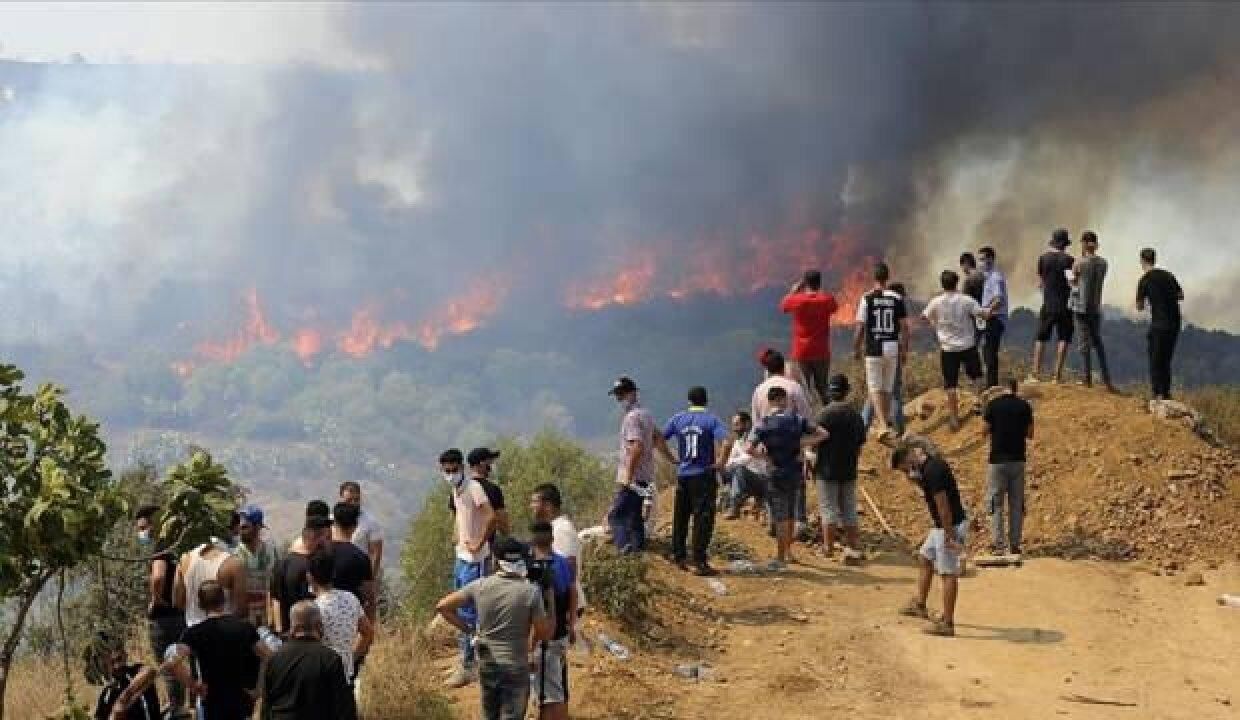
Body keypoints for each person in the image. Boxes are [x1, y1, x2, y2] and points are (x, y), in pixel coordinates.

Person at [436, 538, 554, 720]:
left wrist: (470, 631)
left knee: (489, 714)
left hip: (488, 663)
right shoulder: (530, 592)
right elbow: (544, 632)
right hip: (515, 665)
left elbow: (443, 607)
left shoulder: (480, 586)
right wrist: (549, 598)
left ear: (494, 561)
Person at [162, 580, 270, 719]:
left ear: (200, 604)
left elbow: (171, 663)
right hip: (242, 701)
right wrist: (259, 690)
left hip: (212, 702)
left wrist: (194, 686)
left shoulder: (195, 633)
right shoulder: (245, 628)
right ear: (224, 600)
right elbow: (269, 658)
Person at [893, 442, 968, 638]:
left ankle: (947, 623)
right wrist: (913, 480)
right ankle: (920, 604)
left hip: (948, 526)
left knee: (947, 573)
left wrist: (950, 536)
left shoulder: (933, 471)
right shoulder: (927, 468)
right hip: (941, 526)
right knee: (925, 558)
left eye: (905, 468)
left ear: (909, 456)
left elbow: (943, 506)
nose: (907, 472)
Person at [749, 386, 827, 571]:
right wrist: (801, 442)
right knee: (791, 513)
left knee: (780, 516)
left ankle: (781, 557)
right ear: (783, 400)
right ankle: (790, 552)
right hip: (795, 471)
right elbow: (824, 433)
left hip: (775, 472)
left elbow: (749, 449)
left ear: (769, 401)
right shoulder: (797, 420)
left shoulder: (762, 424)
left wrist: (766, 458)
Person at [659, 386, 728, 575]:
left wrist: (670, 458)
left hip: (683, 475)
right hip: (703, 475)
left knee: (681, 516)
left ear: (689, 401)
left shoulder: (677, 419)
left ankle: (679, 556)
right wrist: (721, 462)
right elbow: (727, 441)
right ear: (706, 401)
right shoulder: (712, 420)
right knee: (702, 518)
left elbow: (658, 438)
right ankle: (699, 561)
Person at [444, 447, 495, 689]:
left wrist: (480, 541)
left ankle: (470, 665)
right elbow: (460, 517)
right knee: (460, 608)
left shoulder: (474, 489)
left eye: (454, 470)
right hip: (462, 557)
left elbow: (491, 516)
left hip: (475, 561)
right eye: (447, 471)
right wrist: (458, 537)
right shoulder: (456, 489)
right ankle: (465, 658)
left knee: (469, 612)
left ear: (462, 467)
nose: (451, 474)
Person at [260, 601, 357, 720]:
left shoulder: (274, 659)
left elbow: (266, 706)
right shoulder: (330, 658)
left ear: (293, 627)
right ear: (319, 625)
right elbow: (343, 708)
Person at [750, 349, 812, 534]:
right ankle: (799, 522)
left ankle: (774, 521)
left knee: (772, 482)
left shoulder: (759, 390)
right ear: (783, 367)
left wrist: (760, 445)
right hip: (792, 443)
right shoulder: (794, 387)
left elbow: (756, 421)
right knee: (797, 483)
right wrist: (806, 444)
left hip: (769, 445)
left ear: (767, 369)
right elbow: (806, 415)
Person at [134, 504, 187, 716]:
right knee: (181, 661)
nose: (141, 533)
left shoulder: (161, 547)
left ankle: (176, 710)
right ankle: (181, 706)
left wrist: (155, 600)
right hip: (181, 613)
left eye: (143, 528)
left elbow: (158, 576)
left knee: (168, 664)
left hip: (164, 618)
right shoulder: (177, 545)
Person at [922, 269, 989, 430]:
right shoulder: (966, 300)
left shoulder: (936, 302)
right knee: (977, 377)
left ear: (942, 284)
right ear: (956, 282)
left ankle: (954, 419)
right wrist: (991, 309)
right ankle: (982, 409)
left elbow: (923, 317)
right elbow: (982, 315)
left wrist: (934, 323)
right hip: (967, 346)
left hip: (948, 349)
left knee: (951, 385)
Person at [527, 522, 578, 720]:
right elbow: (572, 592)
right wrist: (572, 624)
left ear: (532, 541)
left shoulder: (536, 571)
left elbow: (538, 612)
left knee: (546, 697)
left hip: (545, 641)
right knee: (560, 687)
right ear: (552, 539)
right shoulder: (564, 563)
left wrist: (530, 646)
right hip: (561, 635)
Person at [814, 375, 867, 561]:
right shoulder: (856, 416)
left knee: (828, 509)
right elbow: (860, 445)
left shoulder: (823, 414)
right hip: (849, 469)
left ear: (830, 392)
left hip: (826, 470)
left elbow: (814, 442)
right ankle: (852, 545)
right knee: (849, 509)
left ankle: (828, 548)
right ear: (847, 392)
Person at [854, 262, 909, 439]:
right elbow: (905, 328)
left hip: (874, 347)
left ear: (874, 277)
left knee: (874, 387)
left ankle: (883, 425)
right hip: (892, 346)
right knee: (887, 387)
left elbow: (860, 327)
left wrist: (856, 347)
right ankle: (884, 423)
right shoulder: (896, 298)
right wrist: (904, 350)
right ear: (888, 277)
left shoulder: (867, 298)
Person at [607, 376, 660, 554]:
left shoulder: (631, 417)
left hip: (634, 477)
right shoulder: (646, 414)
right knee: (635, 517)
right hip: (646, 475)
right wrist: (672, 459)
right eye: (617, 396)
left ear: (632, 393)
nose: (619, 399)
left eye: (621, 395)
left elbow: (636, 447)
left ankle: (624, 550)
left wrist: (628, 477)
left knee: (616, 516)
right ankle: (638, 551)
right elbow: (657, 437)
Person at [983, 377, 1035, 557]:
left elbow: (984, 431)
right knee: (1016, 504)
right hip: (1018, 460)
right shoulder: (1024, 406)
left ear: (1001, 388)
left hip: (997, 461)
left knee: (995, 504)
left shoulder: (993, 405)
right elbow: (1030, 434)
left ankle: (998, 545)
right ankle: (1015, 545)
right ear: (1015, 388)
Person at [307, 550, 373, 685]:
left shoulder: (313, 610)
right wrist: (351, 658)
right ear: (333, 573)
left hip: (321, 679)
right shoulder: (351, 598)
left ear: (310, 576)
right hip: (345, 677)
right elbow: (368, 633)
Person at [779, 269, 839, 406]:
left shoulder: (797, 300)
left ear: (805, 283)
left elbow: (783, 306)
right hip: (821, 351)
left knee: (803, 390)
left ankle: (807, 421)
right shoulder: (826, 299)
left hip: (801, 352)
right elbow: (834, 307)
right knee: (823, 387)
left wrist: (794, 291)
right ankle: (829, 415)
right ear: (819, 283)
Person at [174, 514, 246, 627]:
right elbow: (241, 609)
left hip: (193, 633)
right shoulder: (234, 564)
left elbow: (178, 602)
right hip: (223, 634)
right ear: (234, 529)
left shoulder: (185, 559)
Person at [530, 483, 587, 622]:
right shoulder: (553, 529)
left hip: (562, 607)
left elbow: (568, 569)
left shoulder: (561, 530)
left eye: (534, 502)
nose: (531, 506)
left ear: (548, 505)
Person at [271, 514, 333, 638]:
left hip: (286, 636)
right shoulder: (314, 568)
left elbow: (275, 599)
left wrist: (279, 631)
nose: (329, 542)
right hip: (308, 638)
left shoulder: (281, 563)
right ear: (318, 538)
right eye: (328, 538)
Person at [1136, 247, 1184, 400]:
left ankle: (1158, 394)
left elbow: (1139, 306)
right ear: (1154, 259)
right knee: (1166, 360)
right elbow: (1181, 295)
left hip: (1159, 324)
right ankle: (1166, 393)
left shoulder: (1144, 280)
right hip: (1174, 323)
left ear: (1142, 261)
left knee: (1155, 359)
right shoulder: (1169, 275)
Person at [1069, 231, 1116, 391]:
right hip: (1095, 307)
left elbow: (1074, 281)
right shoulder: (1103, 263)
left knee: (1084, 344)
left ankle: (1086, 379)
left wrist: (1071, 280)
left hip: (1081, 307)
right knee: (1098, 343)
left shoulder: (1079, 263)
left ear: (1084, 243)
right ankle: (1107, 380)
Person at [1031, 228, 1075, 383]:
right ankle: (1056, 376)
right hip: (1065, 305)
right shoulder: (1069, 260)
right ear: (1065, 244)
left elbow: (1040, 282)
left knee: (1041, 337)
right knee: (1063, 338)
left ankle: (1035, 374)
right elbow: (1071, 282)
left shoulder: (1043, 259)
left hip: (1048, 304)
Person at [90, 634, 160, 720]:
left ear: (125, 655)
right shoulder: (106, 694)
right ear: (105, 665)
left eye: (119, 659)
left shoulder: (136, 671)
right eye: (112, 663)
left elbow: (150, 672)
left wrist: (122, 700)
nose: (117, 666)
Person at [234, 504, 280, 630]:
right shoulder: (233, 554)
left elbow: (275, 587)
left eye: (245, 527)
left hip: (266, 619)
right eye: (240, 527)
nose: (240, 530)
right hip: (241, 619)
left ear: (258, 527)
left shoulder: (271, 552)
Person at [330, 502, 376, 619]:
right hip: (350, 620)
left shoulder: (320, 553)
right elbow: (369, 596)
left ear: (334, 523)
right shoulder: (361, 558)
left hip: (322, 619)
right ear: (355, 526)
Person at [720, 411, 768, 521]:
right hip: (744, 480)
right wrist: (726, 465)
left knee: (739, 469)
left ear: (747, 424)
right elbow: (728, 463)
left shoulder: (758, 439)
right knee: (722, 469)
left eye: (737, 424)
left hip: (761, 479)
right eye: (733, 425)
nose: (734, 428)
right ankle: (728, 498)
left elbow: (747, 459)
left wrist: (732, 462)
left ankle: (734, 506)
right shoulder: (738, 442)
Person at [467, 447, 510, 553]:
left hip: (465, 548)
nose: (491, 466)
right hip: (486, 548)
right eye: (490, 462)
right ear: (482, 464)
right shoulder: (492, 489)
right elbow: (502, 523)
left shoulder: (460, 490)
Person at [338, 482, 384, 580]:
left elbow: (375, 554)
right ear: (341, 498)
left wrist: (370, 580)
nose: (353, 503)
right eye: (349, 500)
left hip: (358, 576)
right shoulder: (332, 519)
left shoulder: (370, 522)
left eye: (356, 499)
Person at [977, 247, 1009, 389]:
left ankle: (991, 386)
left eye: (983, 259)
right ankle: (990, 384)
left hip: (994, 319)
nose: (981, 262)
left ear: (991, 259)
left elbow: (998, 299)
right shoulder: (987, 277)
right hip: (989, 319)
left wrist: (987, 311)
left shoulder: (995, 277)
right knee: (986, 352)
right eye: (980, 259)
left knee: (990, 353)